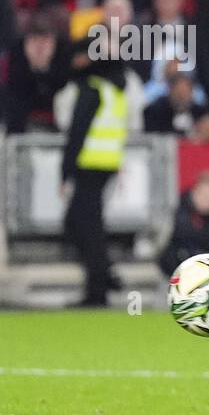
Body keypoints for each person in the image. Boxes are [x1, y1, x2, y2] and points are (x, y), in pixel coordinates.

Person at [60, 51, 127, 307]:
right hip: (107, 164)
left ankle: (99, 282)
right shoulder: (116, 91)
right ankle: (104, 274)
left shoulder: (92, 89)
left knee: (82, 227)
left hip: (88, 164)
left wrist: (65, 171)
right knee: (90, 226)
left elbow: (77, 132)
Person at [159, 171, 209, 275]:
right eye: (204, 195)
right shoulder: (178, 215)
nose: (207, 200)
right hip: (174, 275)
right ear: (194, 193)